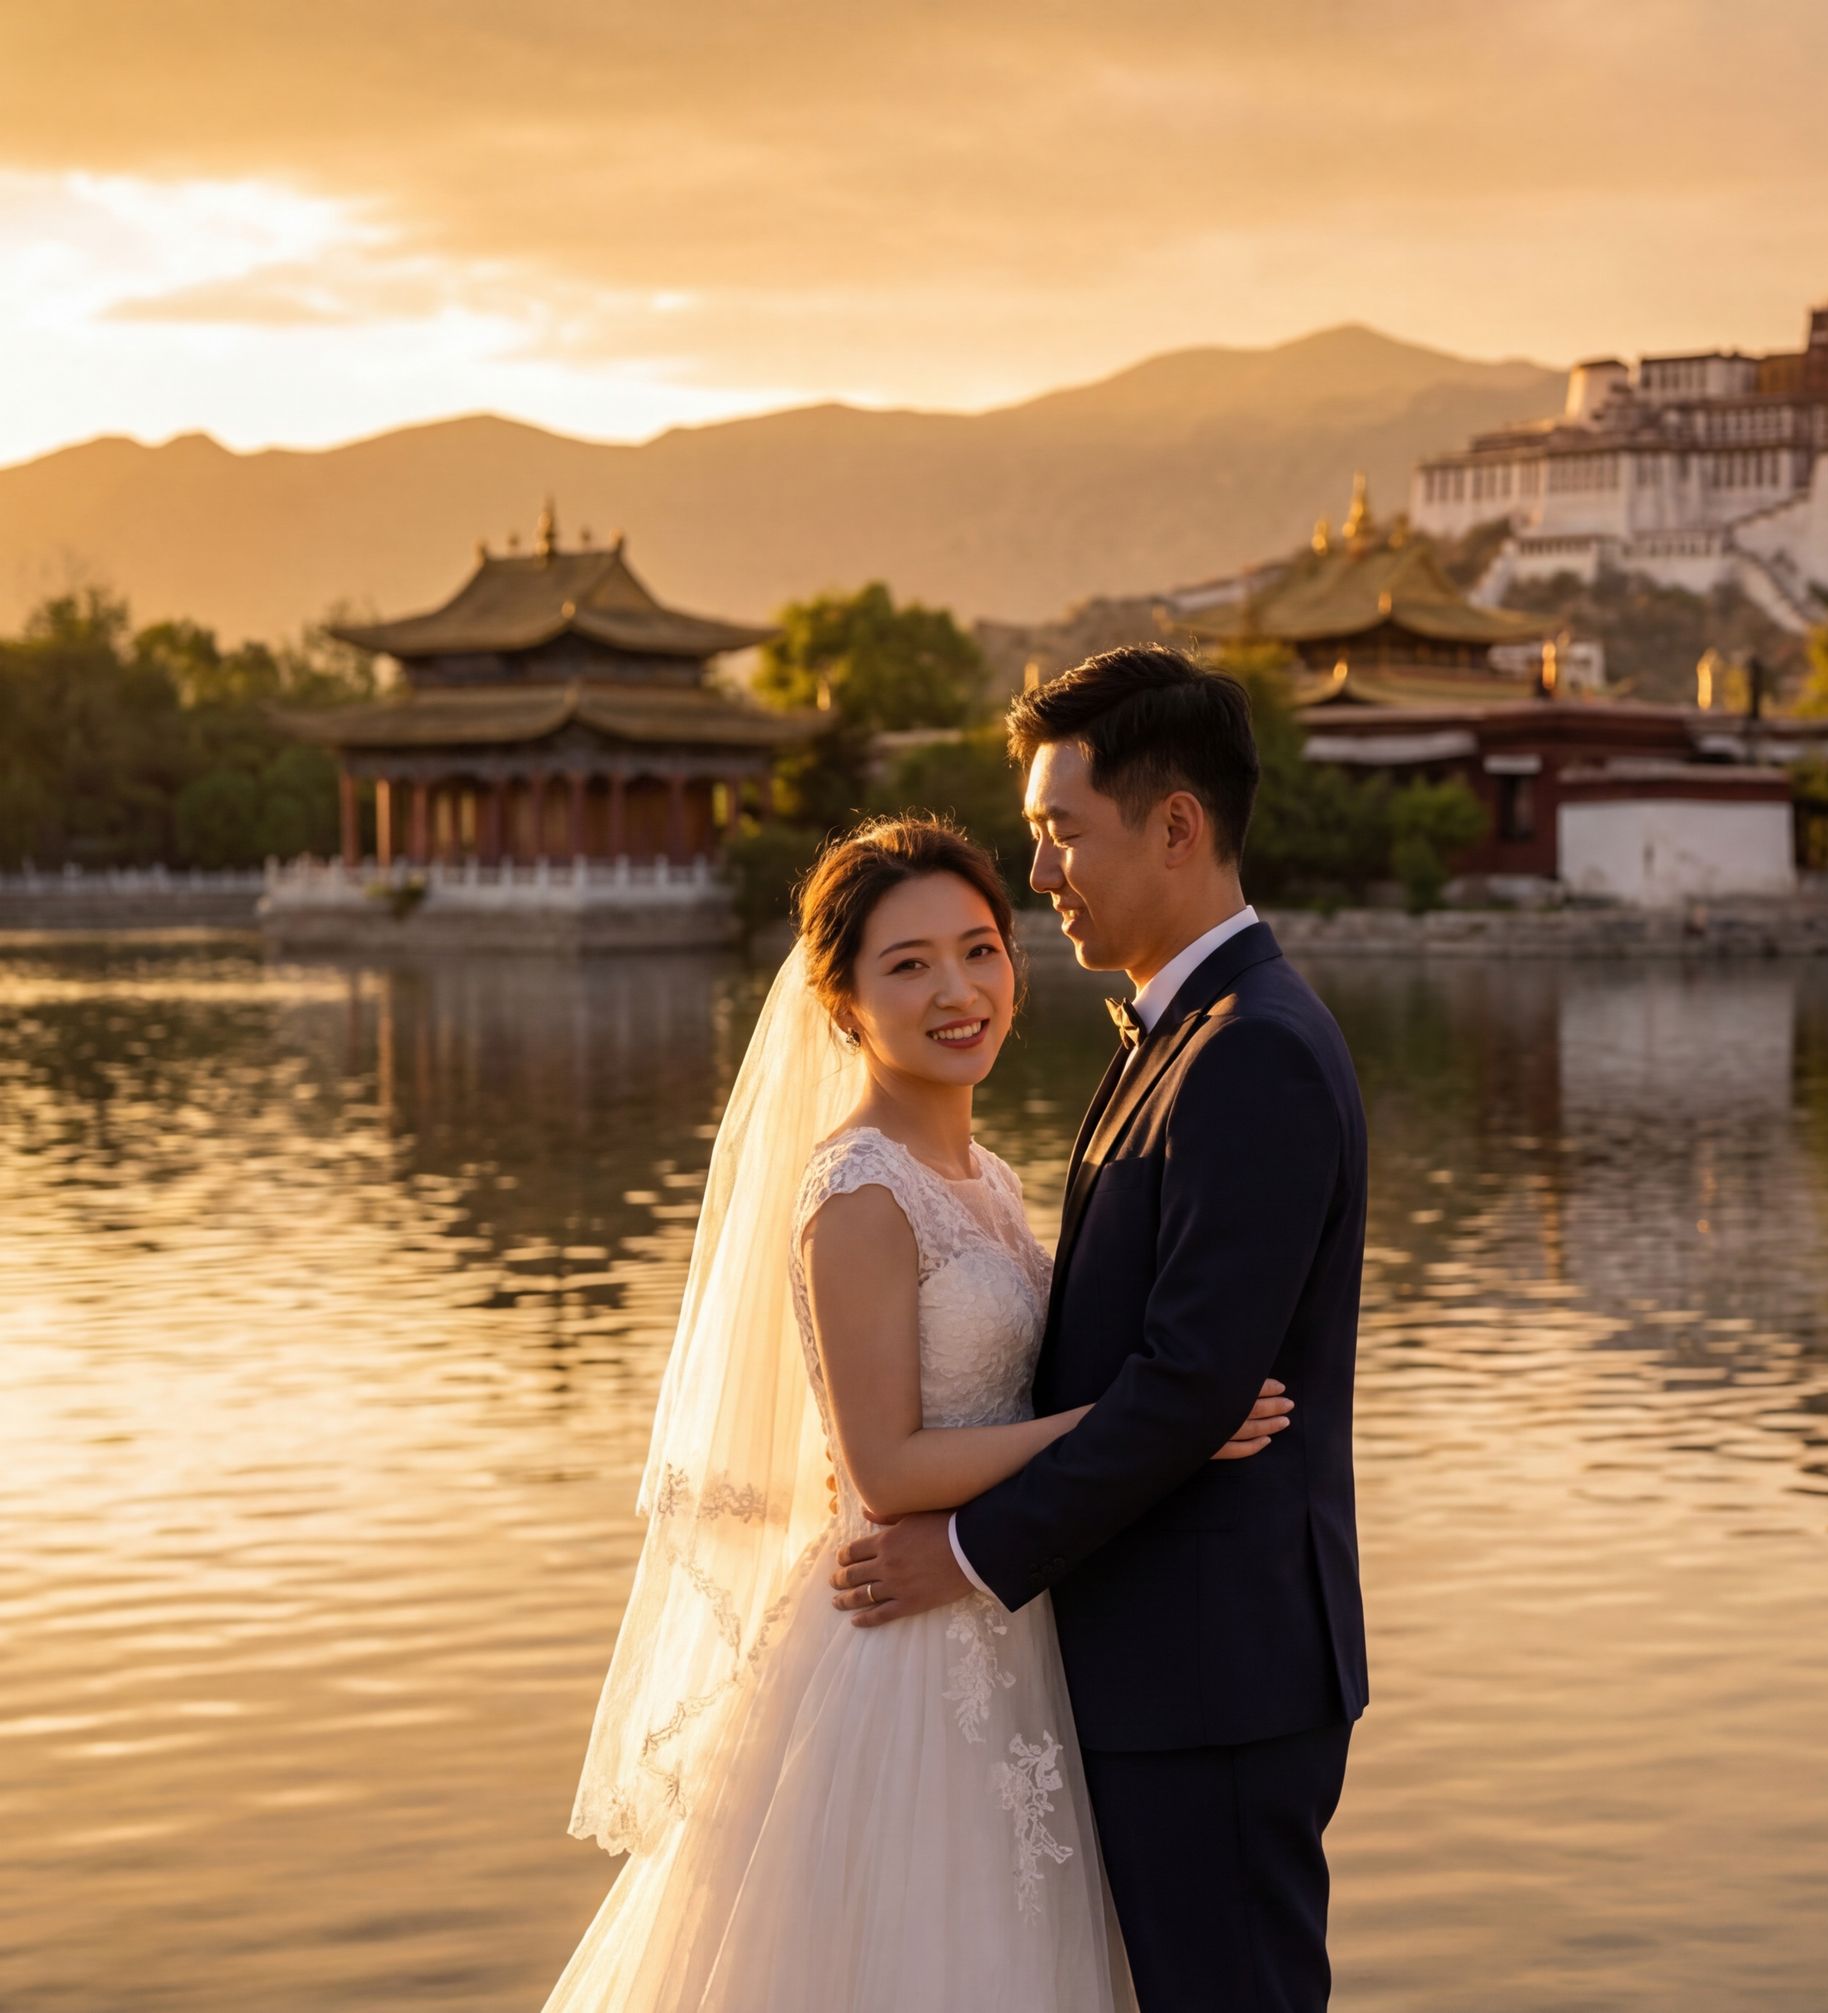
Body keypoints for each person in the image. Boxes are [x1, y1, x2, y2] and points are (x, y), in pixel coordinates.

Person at [546, 811, 1294, 2011]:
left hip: (1011, 1625)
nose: (960, 991)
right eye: (910, 966)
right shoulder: (855, 1193)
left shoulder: (984, 1177)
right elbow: (885, 1469)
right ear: (843, 1004)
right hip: (896, 1655)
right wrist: (1155, 1419)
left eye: (981, 949)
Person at [829, 647, 1371, 2013]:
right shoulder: (1167, 1035)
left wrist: (961, 1554)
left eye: (1060, 833)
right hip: (1145, 1664)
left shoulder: (1251, 1047)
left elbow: (1194, 1385)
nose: (1042, 874)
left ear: (1175, 826)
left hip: (1217, 1673)